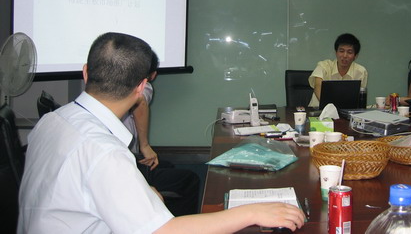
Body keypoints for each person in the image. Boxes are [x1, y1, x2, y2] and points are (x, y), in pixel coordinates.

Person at [18, 32, 305, 234]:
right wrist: (253, 212)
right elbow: (162, 231)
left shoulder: (52, 121)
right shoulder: (104, 152)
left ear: (85, 72)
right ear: (141, 88)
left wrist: (139, 191)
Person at [121, 51, 200, 216]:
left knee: (166, 166)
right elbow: (140, 102)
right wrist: (145, 145)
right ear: (153, 74)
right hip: (124, 164)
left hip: (125, 158)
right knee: (190, 179)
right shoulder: (143, 86)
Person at [308, 33, 368, 107]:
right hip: (318, 110)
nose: (345, 55)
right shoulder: (324, 66)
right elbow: (318, 85)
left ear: (355, 56)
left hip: (346, 111)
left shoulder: (361, 72)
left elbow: (360, 97)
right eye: (341, 51)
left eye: (349, 52)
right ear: (336, 52)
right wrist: (330, 107)